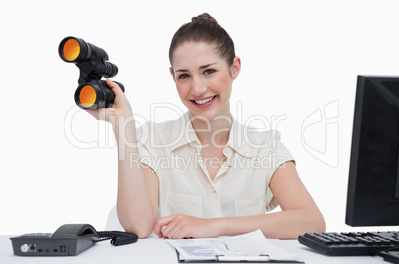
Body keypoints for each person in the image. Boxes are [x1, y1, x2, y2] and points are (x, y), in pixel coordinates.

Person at [88, 13, 326, 239]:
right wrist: (122, 127)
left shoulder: (265, 146)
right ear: (173, 77)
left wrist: (214, 226)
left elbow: (311, 221)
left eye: (209, 71)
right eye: (184, 76)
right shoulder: (152, 140)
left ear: (235, 68)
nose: (198, 89)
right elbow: (138, 227)